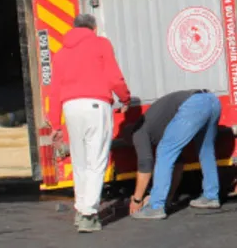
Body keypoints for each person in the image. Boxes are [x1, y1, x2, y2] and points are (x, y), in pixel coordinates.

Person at [46, 13, 131, 233]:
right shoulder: (101, 44)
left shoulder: (61, 53)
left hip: (70, 108)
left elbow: (54, 91)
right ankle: (88, 214)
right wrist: (125, 98)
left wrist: (55, 124)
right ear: (93, 28)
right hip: (96, 105)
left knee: (80, 162)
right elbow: (113, 76)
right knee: (97, 161)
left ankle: (81, 208)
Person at [129, 89, 223, 219]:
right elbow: (178, 164)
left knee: (163, 151)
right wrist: (169, 197)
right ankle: (211, 196)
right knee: (205, 149)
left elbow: (146, 165)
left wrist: (137, 200)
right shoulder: (155, 124)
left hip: (193, 104)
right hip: (212, 100)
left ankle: (155, 207)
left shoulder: (138, 133)